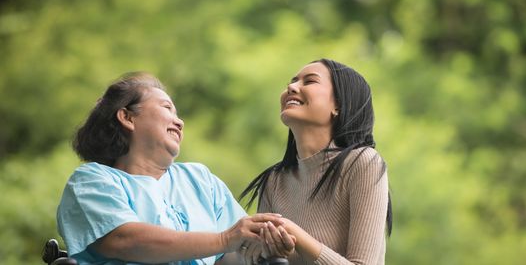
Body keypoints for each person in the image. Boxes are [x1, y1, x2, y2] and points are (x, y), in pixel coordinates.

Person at [57, 72, 284, 265]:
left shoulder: (200, 179)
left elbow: (231, 256)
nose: (179, 122)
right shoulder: (91, 181)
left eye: (178, 114)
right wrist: (225, 239)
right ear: (127, 117)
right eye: (167, 108)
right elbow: (125, 240)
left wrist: (263, 247)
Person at [241, 59, 393, 264]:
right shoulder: (274, 181)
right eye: (293, 81)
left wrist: (294, 234)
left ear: (338, 105)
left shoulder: (363, 163)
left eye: (309, 81)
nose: (291, 87)